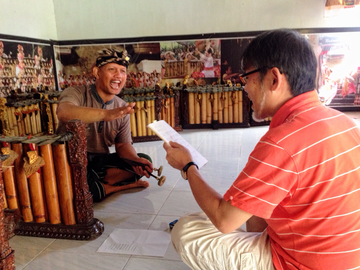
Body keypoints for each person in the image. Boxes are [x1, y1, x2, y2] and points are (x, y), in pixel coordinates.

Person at [163, 29, 360, 269]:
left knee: (187, 230)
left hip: (304, 263)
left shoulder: (282, 141)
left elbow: (224, 220)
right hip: (348, 257)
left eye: (246, 78)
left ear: (274, 79)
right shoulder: (345, 123)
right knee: (254, 202)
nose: (244, 88)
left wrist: (187, 166)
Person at [57, 48, 153, 202]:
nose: (118, 76)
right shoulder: (76, 93)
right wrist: (105, 114)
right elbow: (63, 112)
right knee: (82, 190)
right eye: (112, 69)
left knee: (144, 160)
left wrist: (135, 160)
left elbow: (122, 146)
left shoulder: (121, 105)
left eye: (122, 71)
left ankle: (99, 184)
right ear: (96, 72)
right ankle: (119, 186)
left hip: (100, 160)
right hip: (71, 159)